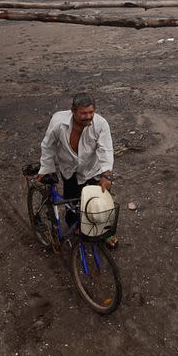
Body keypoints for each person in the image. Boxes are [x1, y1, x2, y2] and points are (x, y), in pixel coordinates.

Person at [36, 92, 118, 246]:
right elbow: (48, 146)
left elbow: (106, 150)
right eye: (83, 113)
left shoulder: (100, 124)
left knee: (99, 203)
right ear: (73, 111)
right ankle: (77, 227)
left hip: (92, 168)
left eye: (91, 112)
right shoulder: (58, 122)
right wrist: (46, 169)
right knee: (72, 203)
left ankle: (104, 231)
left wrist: (106, 175)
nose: (88, 116)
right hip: (69, 169)